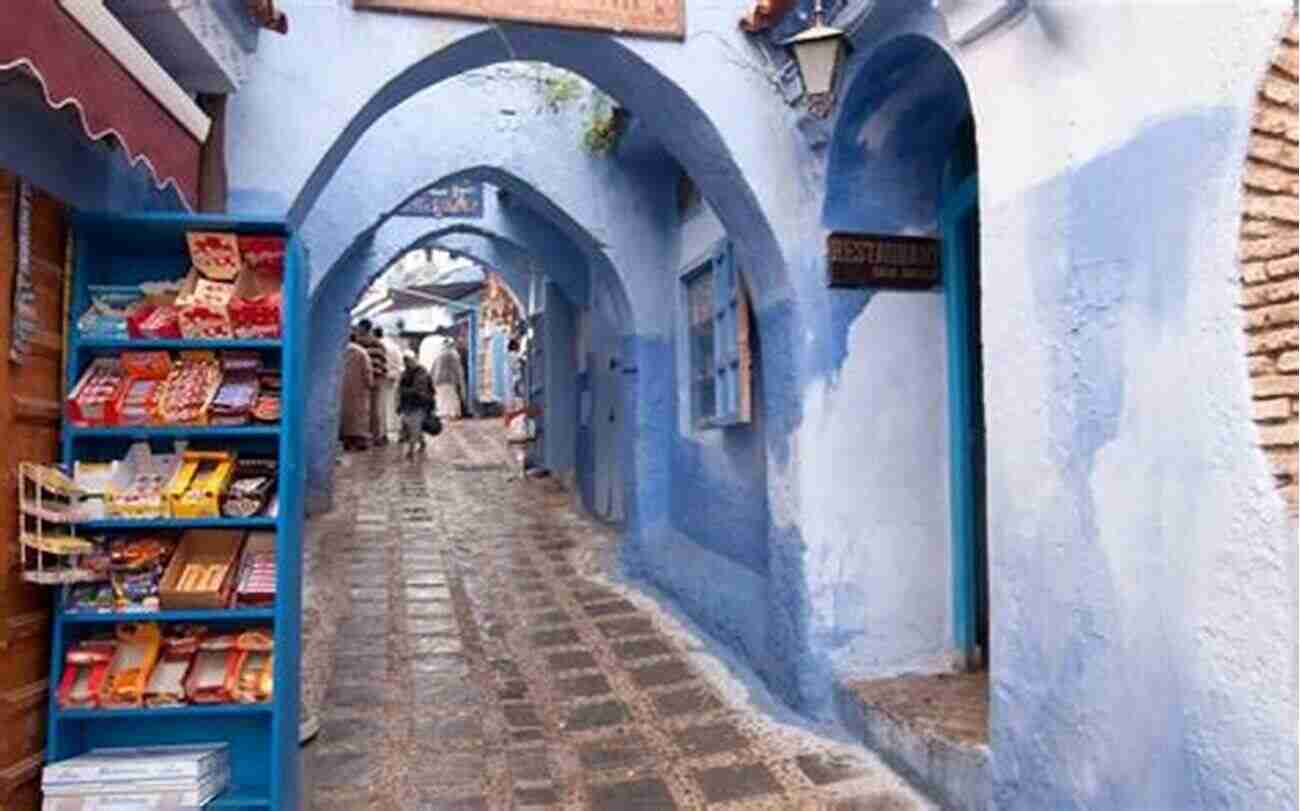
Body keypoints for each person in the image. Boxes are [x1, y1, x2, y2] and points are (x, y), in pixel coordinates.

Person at [339, 325, 374, 451]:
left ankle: (345, 441)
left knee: (344, 415)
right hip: (358, 391)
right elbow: (368, 372)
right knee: (358, 417)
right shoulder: (362, 352)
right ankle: (358, 442)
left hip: (341, 389)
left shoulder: (338, 350)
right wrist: (369, 384)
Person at [357, 320, 389, 446]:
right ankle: (375, 436)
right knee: (375, 409)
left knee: (362, 409)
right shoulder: (379, 344)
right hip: (377, 379)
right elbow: (383, 364)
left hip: (361, 381)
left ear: (363, 329)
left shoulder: (358, 344)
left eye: (359, 328)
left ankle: (365, 436)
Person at [397, 350, 435, 458]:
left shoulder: (421, 372)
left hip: (419, 404)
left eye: (408, 361)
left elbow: (418, 390)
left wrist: (404, 391)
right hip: (409, 404)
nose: (407, 364)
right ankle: (421, 442)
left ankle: (411, 450)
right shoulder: (406, 372)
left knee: (414, 426)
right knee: (409, 425)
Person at [373, 326, 402, 444]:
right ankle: (396, 429)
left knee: (381, 406)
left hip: (382, 377)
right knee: (393, 405)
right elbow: (400, 363)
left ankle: (383, 432)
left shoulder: (377, 346)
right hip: (394, 377)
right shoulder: (394, 346)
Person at [431, 335, 466, 421]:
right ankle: (450, 415)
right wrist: (460, 382)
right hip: (449, 380)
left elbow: (433, 369)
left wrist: (431, 380)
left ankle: (443, 415)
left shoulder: (439, 354)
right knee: (450, 398)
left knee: (442, 399)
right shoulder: (453, 354)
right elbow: (457, 369)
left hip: (437, 380)